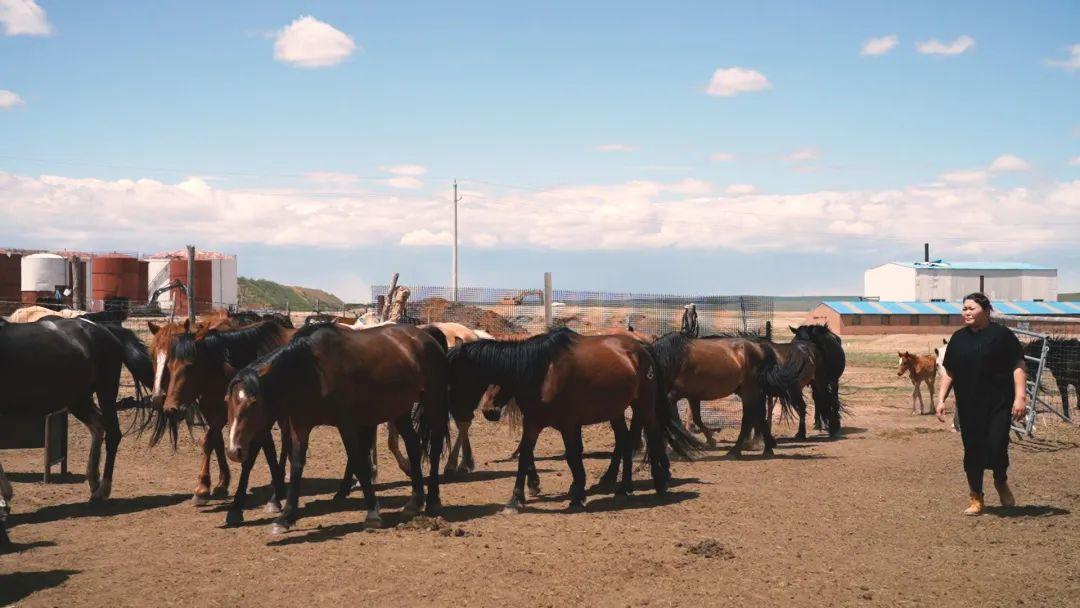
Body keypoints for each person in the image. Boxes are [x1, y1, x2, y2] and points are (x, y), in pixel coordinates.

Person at [936, 293, 1027, 515]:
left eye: (971, 308)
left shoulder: (1002, 336)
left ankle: (1000, 480)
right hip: (968, 406)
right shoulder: (958, 339)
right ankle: (976, 497)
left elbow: (1018, 364)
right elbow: (950, 371)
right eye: (964, 308)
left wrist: (1020, 397)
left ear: (986, 311)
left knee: (997, 445)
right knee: (972, 450)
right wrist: (940, 399)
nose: (966, 312)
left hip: (999, 403)